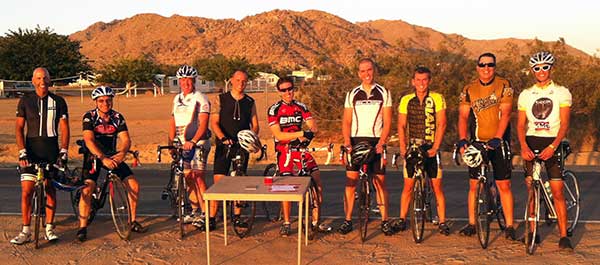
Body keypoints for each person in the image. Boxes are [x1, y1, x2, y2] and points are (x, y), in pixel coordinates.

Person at [457, 52, 516, 240]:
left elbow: (506, 113)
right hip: (477, 142)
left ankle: (509, 225)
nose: (486, 68)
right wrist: (462, 139)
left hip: (499, 142)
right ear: (477, 67)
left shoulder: (504, 85)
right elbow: (463, 116)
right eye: (482, 65)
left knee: (503, 184)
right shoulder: (469, 89)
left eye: (490, 65)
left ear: (495, 67)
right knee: (473, 185)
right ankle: (472, 223)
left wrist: (498, 137)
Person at [518, 51, 573, 249]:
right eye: (537, 68)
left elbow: (565, 124)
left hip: (553, 142)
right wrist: (523, 146)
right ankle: (533, 232)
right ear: (532, 70)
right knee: (532, 189)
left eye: (545, 67)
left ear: (551, 68)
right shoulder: (526, 94)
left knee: (557, 191)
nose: (541, 71)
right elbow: (520, 125)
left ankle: (564, 236)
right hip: (532, 141)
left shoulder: (561, 92)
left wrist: (553, 146)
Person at [76, 86, 145, 241]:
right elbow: (88, 140)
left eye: (108, 100)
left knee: (134, 185)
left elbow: (126, 139)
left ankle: (132, 221)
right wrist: (102, 158)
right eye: (101, 101)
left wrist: (121, 154)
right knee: (87, 189)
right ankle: (82, 227)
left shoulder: (117, 117)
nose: (105, 103)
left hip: (113, 155)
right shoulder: (90, 117)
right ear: (96, 102)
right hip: (94, 156)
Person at [11, 67, 69, 244]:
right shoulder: (25, 101)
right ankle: (26, 230)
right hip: (31, 151)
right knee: (27, 191)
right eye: (38, 78)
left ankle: (50, 228)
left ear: (50, 80)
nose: (42, 81)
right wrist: (22, 152)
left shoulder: (59, 101)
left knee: (50, 190)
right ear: (33, 80)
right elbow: (19, 128)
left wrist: (64, 151)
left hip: (51, 151)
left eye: (45, 77)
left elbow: (65, 128)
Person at [267, 76, 330, 236]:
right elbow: (279, 135)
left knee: (317, 180)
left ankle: (316, 221)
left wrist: (311, 130)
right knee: (286, 187)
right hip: (285, 151)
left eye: (290, 89)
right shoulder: (274, 109)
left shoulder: (301, 106)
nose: (288, 92)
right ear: (279, 92)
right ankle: (287, 222)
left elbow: (313, 125)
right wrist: (301, 132)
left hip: (301, 149)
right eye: (284, 90)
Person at [338, 58, 394, 236]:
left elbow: (388, 121)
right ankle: (347, 220)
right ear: (358, 73)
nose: (366, 74)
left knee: (380, 183)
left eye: (369, 70)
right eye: (362, 71)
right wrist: (347, 141)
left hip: (376, 141)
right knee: (351, 183)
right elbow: (346, 121)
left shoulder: (384, 92)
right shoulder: (352, 93)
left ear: (374, 70)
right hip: (355, 141)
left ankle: (385, 221)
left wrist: (382, 142)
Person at [396, 66, 449, 235]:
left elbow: (442, 123)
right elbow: (402, 125)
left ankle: (442, 222)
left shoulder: (437, 98)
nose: (421, 83)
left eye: (424, 79)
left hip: (431, 145)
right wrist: (403, 147)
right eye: (418, 80)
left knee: (437, 187)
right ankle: (402, 219)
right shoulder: (406, 100)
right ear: (413, 82)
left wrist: (436, 147)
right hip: (413, 146)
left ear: (429, 81)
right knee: (408, 186)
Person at [209, 69, 259, 227]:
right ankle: (212, 217)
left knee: (239, 179)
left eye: (244, 81)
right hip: (224, 145)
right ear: (231, 80)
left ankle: (237, 216)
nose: (241, 84)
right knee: (219, 181)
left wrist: (250, 139)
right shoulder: (221, 99)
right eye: (238, 80)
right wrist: (223, 138)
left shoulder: (250, 102)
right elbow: (214, 122)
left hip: (241, 147)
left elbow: (255, 125)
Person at [168, 65, 212, 230]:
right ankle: (194, 210)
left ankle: (205, 213)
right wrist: (171, 141)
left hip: (198, 143)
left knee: (198, 176)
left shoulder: (201, 98)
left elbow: (203, 124)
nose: (186, 82)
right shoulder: (176, 99)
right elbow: (172, 122)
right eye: (183, 79)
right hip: (182, 144)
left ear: (194, 81)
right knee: (187, 177)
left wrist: (193, 141)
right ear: (179, 81)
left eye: (189, 79)